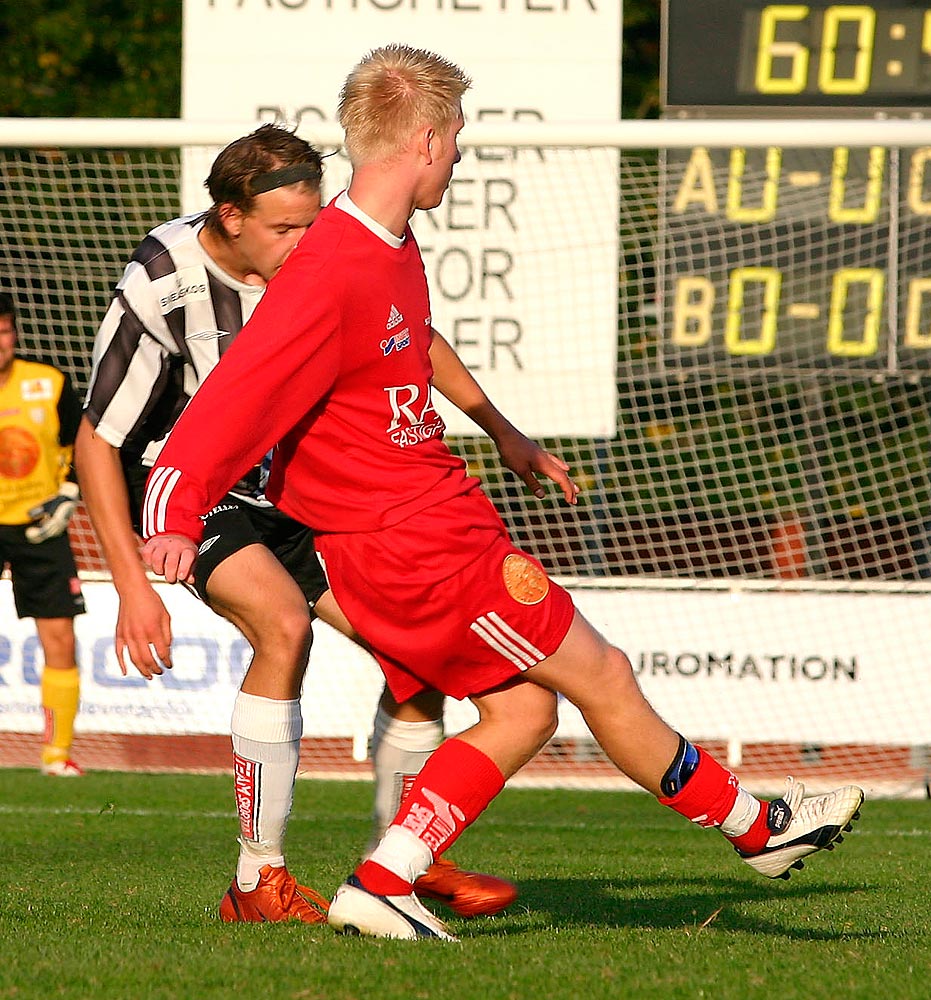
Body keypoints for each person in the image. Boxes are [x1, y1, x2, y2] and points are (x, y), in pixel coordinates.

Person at [140, 44, 864, 941]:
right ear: (429, 140)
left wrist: (503, 433)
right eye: (458, 140)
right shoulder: (329, 267)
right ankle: (756, 828)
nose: (460, 156)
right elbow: (231, 399)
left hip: (431, 522)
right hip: (412, 541)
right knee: (600, 671)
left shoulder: (388, 244)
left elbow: (405, 349)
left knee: (524, 707)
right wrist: (172, 512)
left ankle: (386, 875)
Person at [77, 124, 546, 925]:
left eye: (310, 221)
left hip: (300, 489)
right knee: (283, 626)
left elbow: (411, 336)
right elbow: (98, 439)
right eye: (283, 228)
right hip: (197, 490)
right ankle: (258, 879)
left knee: (417, 655)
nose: (303, 242)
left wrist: (499, 427)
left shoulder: (334, 252)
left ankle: (401, 864)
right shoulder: (161, 276)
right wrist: (133, 587)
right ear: (230, 216)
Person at [0, 292, 87, 777]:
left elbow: (81, 441)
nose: (1, 341)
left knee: (59, 638)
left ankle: (57, 754)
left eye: (5, 330)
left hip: (40, 526)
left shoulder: (48, 382)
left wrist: (69, 490)